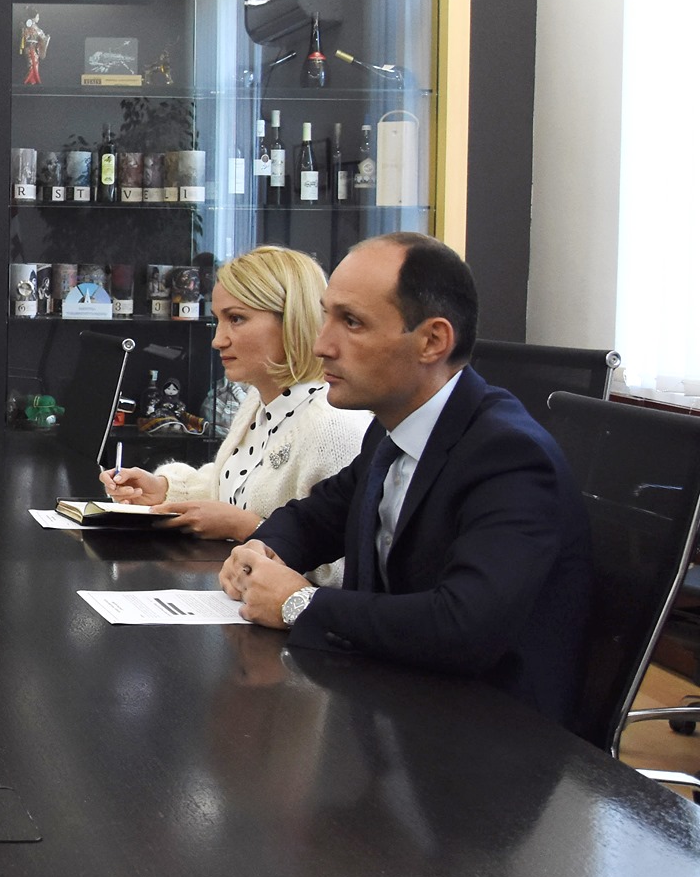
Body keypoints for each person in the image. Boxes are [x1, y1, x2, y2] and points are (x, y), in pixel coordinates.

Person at [217, 232, 592, 729]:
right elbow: (315, 517)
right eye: (326, 316)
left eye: (352, 322)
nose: (322, 345)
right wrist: (261, 551)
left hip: (488, 734)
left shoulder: (510, 457)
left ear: (432, 341)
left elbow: (463, 626)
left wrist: (299, 603)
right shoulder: (392, 428)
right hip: (390, 702)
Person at [101, 247, 368, 583]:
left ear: (291, 321)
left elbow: (346, 574)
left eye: (236, 319)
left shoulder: (335, 426)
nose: (218, 340)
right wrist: (164, 490)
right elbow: (238, 485)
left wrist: (247, 529)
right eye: (218, 320)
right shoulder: (258, 400)